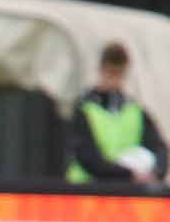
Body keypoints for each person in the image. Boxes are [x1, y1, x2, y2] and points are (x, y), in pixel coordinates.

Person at [65, 41, 167, 185]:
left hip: (125, 193)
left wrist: (154, 173)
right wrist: (129, 174)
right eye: (111, 73)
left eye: (119, 74)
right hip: (88, 192)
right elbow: (88, 158)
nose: (114, 80)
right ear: (101, 71)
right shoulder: (85, 110)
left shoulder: (136, 112)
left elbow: (159, 149)